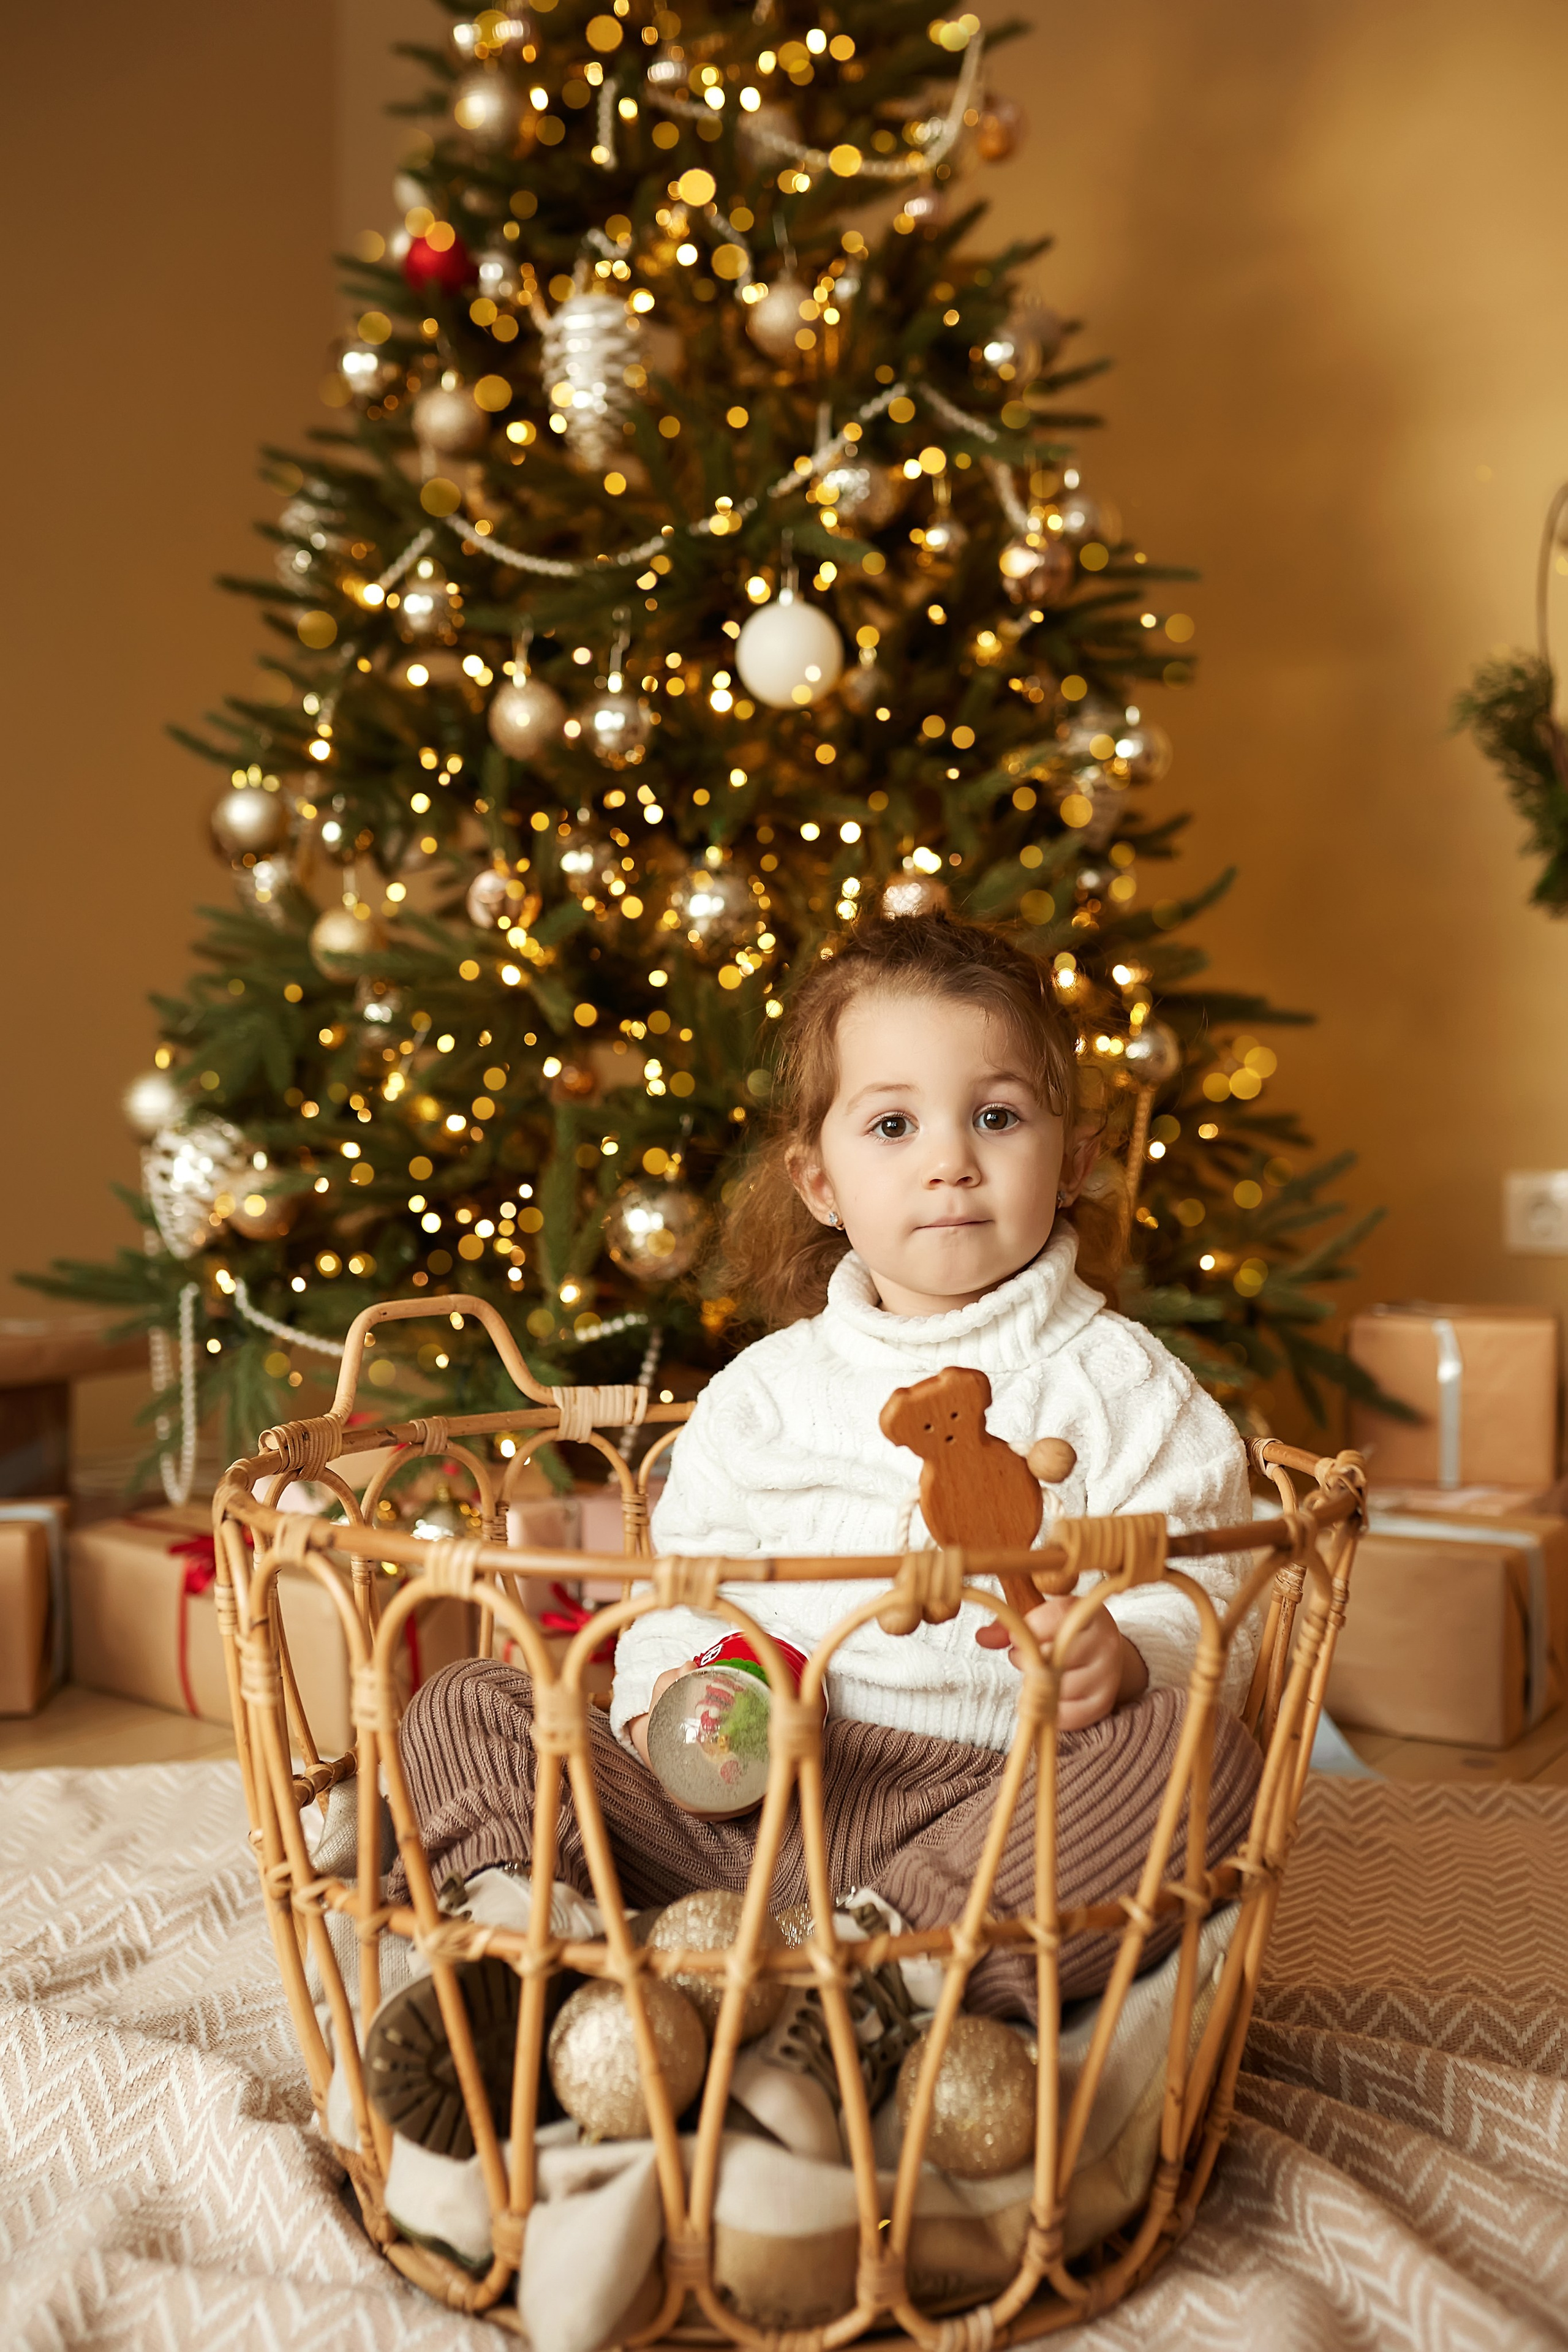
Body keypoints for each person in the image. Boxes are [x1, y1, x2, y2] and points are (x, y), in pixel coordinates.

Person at [391, 913, 1264, 2049]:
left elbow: (1221, 1602)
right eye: (893, 1125)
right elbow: (673, 1606)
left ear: (1076, 1159)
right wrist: (675, 1707)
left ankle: (866, 1984)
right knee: (474, 1702)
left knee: (1204, 1764)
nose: (950, 1158)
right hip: (740, 1805)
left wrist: (1130, 1653)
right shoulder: (760, 1395)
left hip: (984, 1814)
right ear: (818, 1182)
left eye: (996, 1117)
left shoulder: (1126, 1386)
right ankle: (533, 1950)